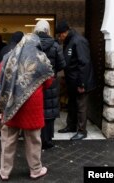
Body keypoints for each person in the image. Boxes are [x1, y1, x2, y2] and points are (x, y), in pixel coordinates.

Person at [0, 33, 54, 180]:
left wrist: (12, 81)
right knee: (33, 139)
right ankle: (35, 170)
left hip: (11, 103)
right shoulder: (41, 58)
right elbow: (48, 82)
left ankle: (4, 171)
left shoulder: (10, 56)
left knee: (8, 138)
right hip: (32, 105)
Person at [56, 20, 96, 140]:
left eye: (60, 34)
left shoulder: (78, 41)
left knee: (81, 106)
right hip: (72, 82)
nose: (59, 37)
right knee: (72, 104)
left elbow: (84, 63)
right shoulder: (69, 41)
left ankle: (82, 131)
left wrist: (81, 83)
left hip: (80, 82)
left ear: (66, 32)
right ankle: (71, 126)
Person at [33, 20, 66, 149]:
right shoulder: (55, 45)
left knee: (37, 110)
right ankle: (47, 141)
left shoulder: (32, 45)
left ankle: (36, 140)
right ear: (48, 30)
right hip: (51, 82)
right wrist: (53, 71)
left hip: (35, 83)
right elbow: (62, 64)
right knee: (49, 111)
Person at [0, 31, 24, 137]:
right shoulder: (20, 50)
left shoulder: (3, 49)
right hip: (13, 84)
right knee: (12, 107)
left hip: (0, 81)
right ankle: (14, 129)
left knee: (0, 106)